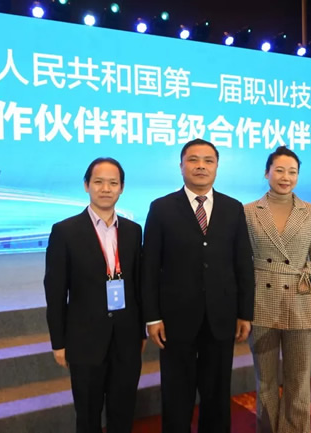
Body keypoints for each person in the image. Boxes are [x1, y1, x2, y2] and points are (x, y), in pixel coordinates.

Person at [141, 138, 254, 433]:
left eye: (208, 160)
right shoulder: (161, 208)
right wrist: (152, 317)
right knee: (176, 393)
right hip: (175, 318)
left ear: (217, 166)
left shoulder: (233, 208)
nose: (201, 166)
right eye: (193, 160)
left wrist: (245, 313)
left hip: (221, 315)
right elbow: (149, 267)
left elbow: (243, 264)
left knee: (217, 393)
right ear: (181, 166)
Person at [44, 157, 145, 433]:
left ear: (122, 188)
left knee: (123, 411)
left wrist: (140, 333)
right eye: (98, 182)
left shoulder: (133, 231)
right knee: (88, 415)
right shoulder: (65, 231)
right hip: (84, 340)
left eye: (113, 183)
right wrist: (58, 342)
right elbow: (55, 291)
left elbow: (138, 285)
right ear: (86, 185)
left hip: (126, 338)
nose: (106, 188)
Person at [243, 146, 311, 433]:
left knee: (299, 380)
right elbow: (241, 263)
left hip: (301, 301)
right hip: (261, 302)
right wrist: (241, 309)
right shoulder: (248, 211)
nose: (286, 177)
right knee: (266, 382)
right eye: (279, 170)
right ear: (266, 173)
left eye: (292, 172)